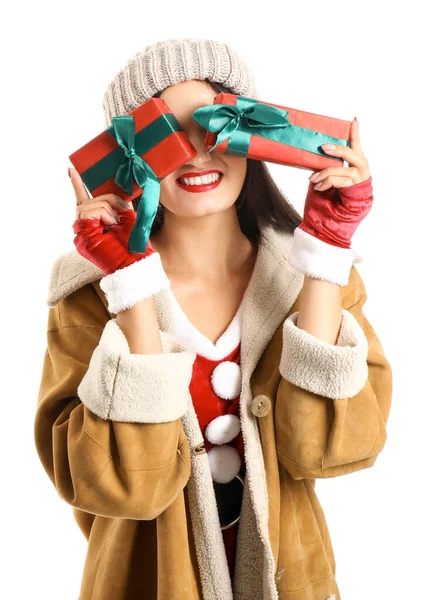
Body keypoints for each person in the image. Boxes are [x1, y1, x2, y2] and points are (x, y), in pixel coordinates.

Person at [34, 38, 393, 600]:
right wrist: (130, 285)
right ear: (128, 155)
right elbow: (121, 488)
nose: (198, 153)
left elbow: (330, 451)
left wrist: (325, 249)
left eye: (217, 124)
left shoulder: (317, 277)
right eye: (167, 136)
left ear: (256, 136)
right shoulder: (88, 298)